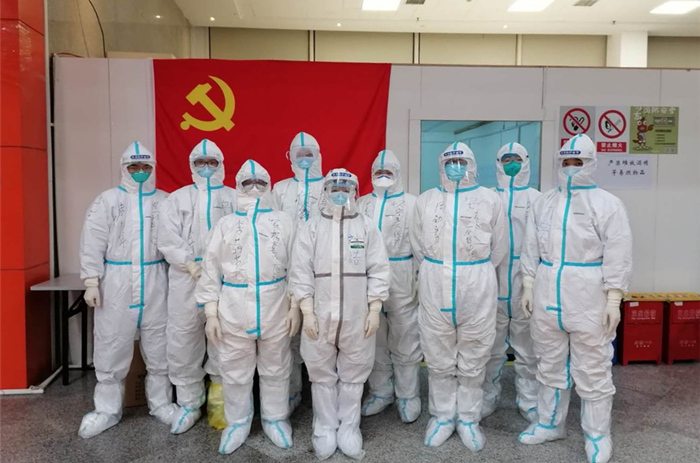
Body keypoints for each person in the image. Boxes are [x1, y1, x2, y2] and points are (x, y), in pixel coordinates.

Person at [519, 134, 632, 463]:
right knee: (549, 362)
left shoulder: (608, 205)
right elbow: (530, 246)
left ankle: (597, 434)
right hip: (547, 290)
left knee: (593, 366)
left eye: (577, 162)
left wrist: (614, 299)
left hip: (588, 294)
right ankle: (550, 423)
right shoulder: (544, 202)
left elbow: (619, 253)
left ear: (591, 164)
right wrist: (529, 284)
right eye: (566, 162)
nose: (570, 168)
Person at [409, 142, 508, 451]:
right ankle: (441, 416)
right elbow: (417, 245)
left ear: (471, 164)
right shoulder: (426, 200)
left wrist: (474, 272)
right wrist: (437, 269)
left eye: (461, 162)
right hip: (435, 279)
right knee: (437, 353)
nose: (456, 168)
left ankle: (468, 418)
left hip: (476, 282)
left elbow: (500, 247)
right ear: (441, 165)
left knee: (474, 354)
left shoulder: (489, 200)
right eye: (450, 162)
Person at [198, 160, 299, 454]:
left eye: (260, 183)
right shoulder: (226, 224)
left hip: (275, 303)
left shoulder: (284, 222)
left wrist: (295, 305)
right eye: (247, 183)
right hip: (233, 306)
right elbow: (210, 269)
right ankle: (238, 422)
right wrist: (210, 312)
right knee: (234, 369)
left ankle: (275, 418)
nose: (254, 188)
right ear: (238, 186)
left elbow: (298, 265)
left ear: (269, 185)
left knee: (276, 367)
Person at [290, 168, 390, 460]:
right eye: (334, 187)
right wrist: (306, 310)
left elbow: (379, 269)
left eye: (345, 187)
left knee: (354, 373)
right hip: (320, 315)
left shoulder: (367, 227)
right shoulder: (311, 228)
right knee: (321, 373)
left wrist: (374, 308)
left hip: (357, 315)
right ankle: (324, 428)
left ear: (355, 191)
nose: (339, 192)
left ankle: (349, 429)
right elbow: (300, 270)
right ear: (325, 190)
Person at [79, 142, 177, 438]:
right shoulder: (107, 201)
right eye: (134, 167)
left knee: (160, 345)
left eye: (146, 167)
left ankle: (161, 404)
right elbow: (92, 240)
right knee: (111, 344)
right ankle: (106, 410)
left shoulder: (165, 201)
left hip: (157, 277)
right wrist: (91, 280)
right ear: (124, 168)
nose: (140, 172)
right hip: (117, 281)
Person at [158, 139, 237, 434]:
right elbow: (167, 238)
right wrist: (189, 263)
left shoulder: (233, 197)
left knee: (224, 338)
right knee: (183, 337)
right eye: (200, 163)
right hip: (186, 279)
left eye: (212, 162)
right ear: (191, 165)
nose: (206, 168)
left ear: (221, 164)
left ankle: (221, 403)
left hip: (226, 280)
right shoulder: (177, 199)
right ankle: (189, 403)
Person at [357, 150, 422, 423]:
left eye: (388, 172)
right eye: (378, 172)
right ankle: (381, 391)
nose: (383, 176)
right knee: (375, 337)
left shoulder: (413, 204)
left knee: (405, 335)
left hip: (401, 273)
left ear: (398, 173)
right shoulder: (361, 203)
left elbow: (421, 244)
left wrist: (419, 278)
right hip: (367, 275)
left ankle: (408, 395)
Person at [481, 142, 541, 423]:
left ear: (526, 161)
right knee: (490, 347)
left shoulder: (538, 199)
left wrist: (533, 280)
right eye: (506, 159)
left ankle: (529, 400)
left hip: (525, 279)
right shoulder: (487, 197)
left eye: (517, 159)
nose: (512, 164)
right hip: (492, 276)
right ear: (498, 163)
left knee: (527, 347)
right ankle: (487, 397)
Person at [272, 131, 327, 413]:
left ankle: (323, 394)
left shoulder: (331, 186)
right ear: (290, 157)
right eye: (299, 154)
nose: (304, 159)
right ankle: (292, 391)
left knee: (322, 331)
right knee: (288, 333)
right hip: (287, 272)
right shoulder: (280, 189)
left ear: (318, 156)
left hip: (324, 272)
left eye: (309, 154)